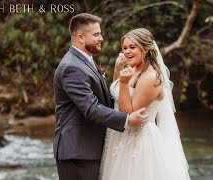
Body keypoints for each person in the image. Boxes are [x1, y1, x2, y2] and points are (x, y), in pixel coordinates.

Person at [53, 13, 148, 180]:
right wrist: (128, 119)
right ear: (81, 37)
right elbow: (91, 109)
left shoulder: (85, 61)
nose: (101, 38)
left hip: (87, 149)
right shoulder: (71, 68)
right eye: (96, 34)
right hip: (78, 152)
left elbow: (104, 100)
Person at [100, 28, 190, 180]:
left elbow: (128, 112)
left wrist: (123, 82)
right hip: (119, 137)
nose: (127, 51)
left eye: (132, 47)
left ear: (146, 49)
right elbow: (116, 93)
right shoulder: (133, 69)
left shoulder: (151, 78)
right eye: (124, 48)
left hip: (138, 141)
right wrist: (118, 70)